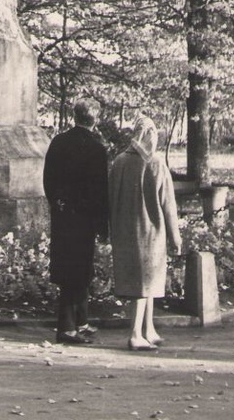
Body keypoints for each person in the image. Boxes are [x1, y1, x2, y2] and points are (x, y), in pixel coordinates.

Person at [109, 114, 182, 351]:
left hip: (124, 230)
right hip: (150, 231)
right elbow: (168, 204)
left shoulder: (119, 161)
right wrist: (175, 237)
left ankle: (149, 328)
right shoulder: (156, 163)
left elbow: (109, 198)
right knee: (144, 283)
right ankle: (135, 334)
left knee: (143, 282)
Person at [43, 100, 109, 345]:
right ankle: (67, 328)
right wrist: (103, 226)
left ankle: (81, 320)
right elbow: (101, 191)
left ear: (75, 116)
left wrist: (57, 203)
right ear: (95, 119)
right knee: (79, 271)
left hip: (63, 216)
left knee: (70, 269)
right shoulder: (96, 148)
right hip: (85, 219)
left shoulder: (59, 142)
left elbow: (48, 179)